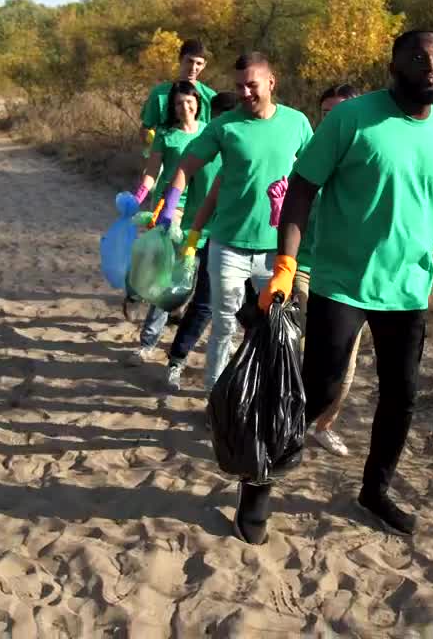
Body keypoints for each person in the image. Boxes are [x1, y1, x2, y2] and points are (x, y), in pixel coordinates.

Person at [235, 30, 433, 544]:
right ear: (394, 66)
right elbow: (301, 189)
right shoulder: (350, 120)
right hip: (343, 282)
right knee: (319, 392)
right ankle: (258, 482)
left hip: (407, 290)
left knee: (402, 396)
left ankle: (375, 491)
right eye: (420, 57)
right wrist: (287, 264)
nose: (432, 65)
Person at [154, 52, 314, 394]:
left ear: (271, 83)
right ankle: (217, 397)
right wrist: (168, 208)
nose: (244, 93)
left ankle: (268, 396)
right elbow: (186, 166)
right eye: (239, 86)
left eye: (252, 85)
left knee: (275, 327)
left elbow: (316, 175)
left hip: (277, 249)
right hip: (228, 246)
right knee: (224, 323)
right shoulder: (223, 126)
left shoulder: (297, 123)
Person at [151, 91, 239, 388]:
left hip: (244, 241)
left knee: (244, 313)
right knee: (201, 304)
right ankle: (176, 359)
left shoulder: (247, 151)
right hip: (201, 236)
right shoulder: (201, 147)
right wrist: (168, 211)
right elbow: (180, 179)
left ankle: (236, 372)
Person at [291, 83, 361, 456]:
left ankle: (323, 424)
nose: (332, 120)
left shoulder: (366, 160)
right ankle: (290, 418)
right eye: (326, 113)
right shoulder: (308, 157)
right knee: (305, 347)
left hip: (350, 275)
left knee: (345, 358)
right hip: (304, 266)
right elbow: (288, 211)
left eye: (341, 112)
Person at [126, 81, 208, 365]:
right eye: (178, 103)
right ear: (171, 107)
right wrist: (137, 198)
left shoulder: (211, 131)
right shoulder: (166, 135)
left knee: (194, 278)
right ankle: (148, 341)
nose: (185, 107)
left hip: (202, 211)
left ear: (198, 102)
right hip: (169, 208)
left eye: (190, 101)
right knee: (169, 277)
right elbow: (151, 173)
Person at [138, 39, 217, 149]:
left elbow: (216, 134)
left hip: (199, 159)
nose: (193, 68)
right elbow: (145, 128)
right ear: (180, 59)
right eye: (190, 61)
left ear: (204, 65)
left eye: (198, 63)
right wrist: (153, 147)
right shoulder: (160, 94)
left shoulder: (210, 97)